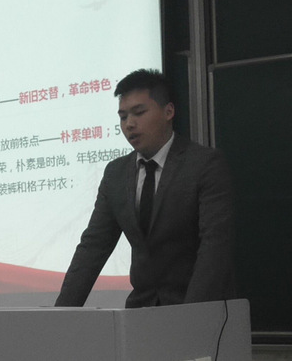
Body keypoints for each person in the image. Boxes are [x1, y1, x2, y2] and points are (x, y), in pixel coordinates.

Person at [55, 68, 236, 308]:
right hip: (141, 311)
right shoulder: (116, 174)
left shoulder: (204, 165)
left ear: (168, 111)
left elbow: (215, 246)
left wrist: (191, 315)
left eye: (139, 113)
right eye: (123, 117)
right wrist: (61, 314)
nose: (130, 124)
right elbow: (94, 246)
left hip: (199, 309)